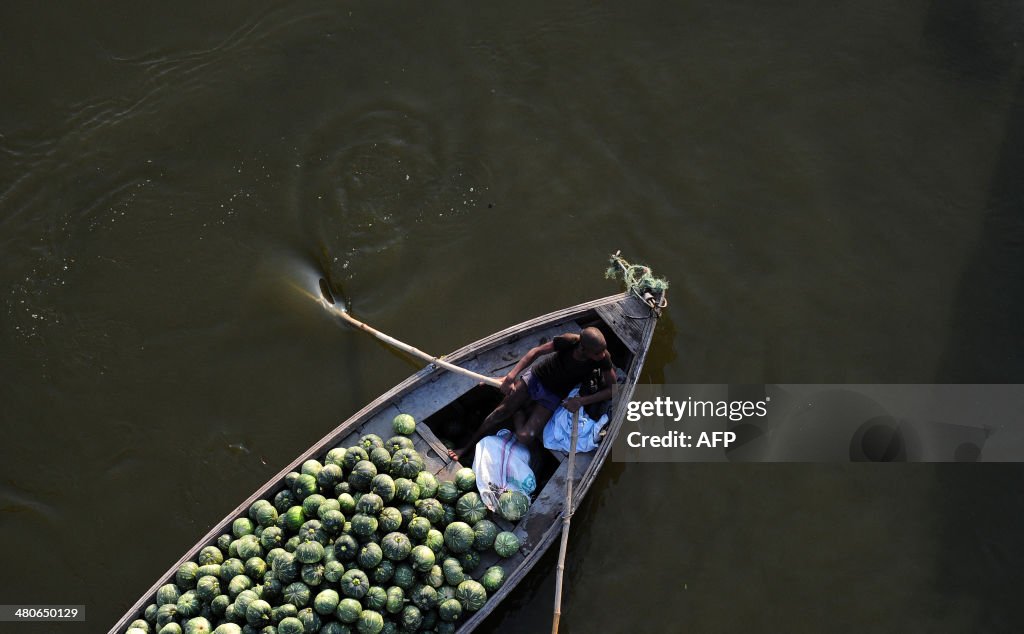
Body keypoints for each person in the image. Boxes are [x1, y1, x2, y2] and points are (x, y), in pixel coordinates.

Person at [448, 326, 616, 461]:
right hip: (537, 377)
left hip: (554, 394)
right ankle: (466, 447)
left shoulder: (603, 358)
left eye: (603, 351)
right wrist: (511, 376)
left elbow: (612, 390)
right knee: (499, 413)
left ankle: (520, 409)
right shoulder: (569, 341)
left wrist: (581, 401)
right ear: (583, 349)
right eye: (597, 353)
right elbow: (536, 352)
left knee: (525, 436)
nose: (602, 355)